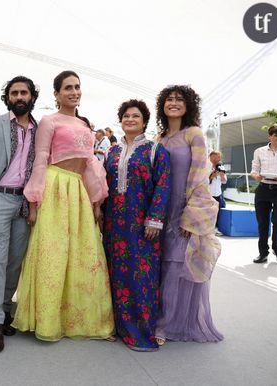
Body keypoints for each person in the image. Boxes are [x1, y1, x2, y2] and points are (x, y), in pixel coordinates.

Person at [12, 70, 114, 341]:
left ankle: (77, 319)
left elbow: (90, 164)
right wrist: (34, 201)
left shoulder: (84, 124)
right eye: (67, 88)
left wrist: (96, 200)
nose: (74, 92)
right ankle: (47, 321)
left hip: (78, 191)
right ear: (56, 94)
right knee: (53, 255)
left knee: (82, 254)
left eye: (77, 87)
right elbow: (41, 159)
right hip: (55, 189)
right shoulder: (49, 121)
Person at [155, 85, 223, 344]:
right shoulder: (160, 137)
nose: (173, 103)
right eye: (169, 99)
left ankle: (169, 325)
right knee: (163, 265)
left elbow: (199, 176)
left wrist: (191, 215)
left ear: (188, 105)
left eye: (179, 99)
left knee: (178, 265)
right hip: (161, 210)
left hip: (184, 210)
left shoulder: (193, 134)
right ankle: (162, 316)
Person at [103, 99, 171, 351]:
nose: (130, 120)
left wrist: (154, 219)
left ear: (144, 121)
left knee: (141, 275)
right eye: (126, 116)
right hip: (113, 223)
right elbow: (104, 185)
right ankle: (118, 327)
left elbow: (164, 186)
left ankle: (140, 331)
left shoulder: (154, 150)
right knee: (116, 274)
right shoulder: (112, 152)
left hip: (143, 225)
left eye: (135, 116)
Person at [0, 75, 39, 353]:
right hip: (1, 198)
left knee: (15, 262)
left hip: (25, 203)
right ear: (8, 97)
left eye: (23, 93)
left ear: (31, 96)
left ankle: (4, 310)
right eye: (14, 93)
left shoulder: (41, 130)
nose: (19, 97)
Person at [251, 124, 277, 264]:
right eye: (276, 135)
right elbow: (254, 169)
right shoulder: (259, 151)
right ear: (270, 136)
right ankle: (262, 253)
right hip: (263, 189)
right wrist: (256, 176)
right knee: (262, 223)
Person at [209, 151, 227, 230]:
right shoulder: (206, 166)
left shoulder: (221, 167)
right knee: (208, 212)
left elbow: (224, 181)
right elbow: (202, 180)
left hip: (217, 193)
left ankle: (215, 228)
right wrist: (211, 176)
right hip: (208, 194)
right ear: (211, 157)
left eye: (219, 157)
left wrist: (222, 176)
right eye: (217, 157)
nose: (219, 159)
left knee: (217, 212)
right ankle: (207, 229)